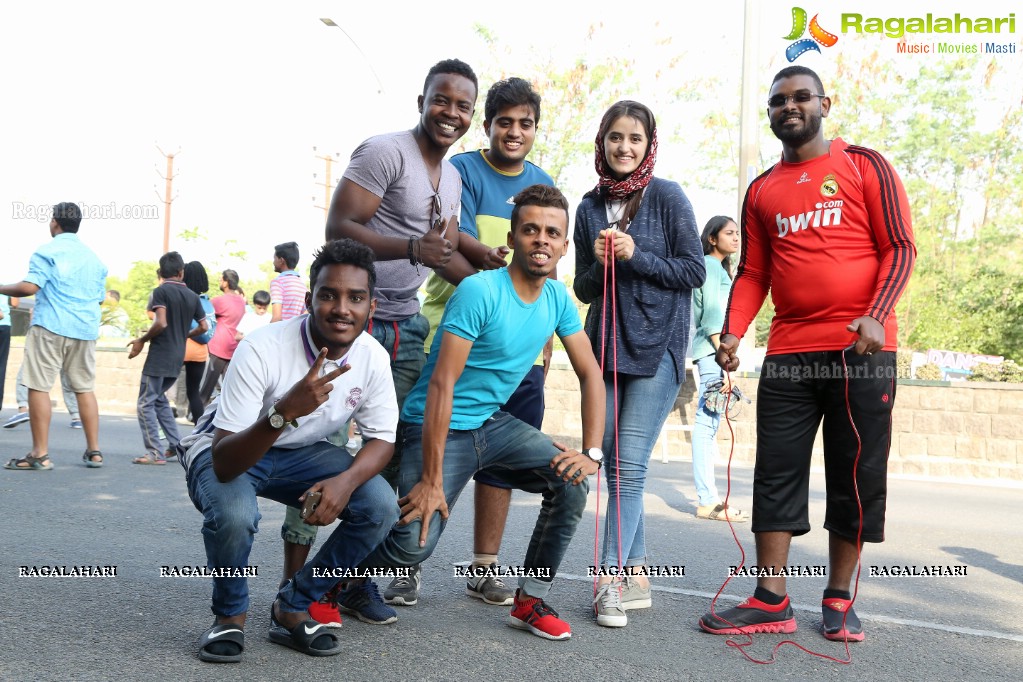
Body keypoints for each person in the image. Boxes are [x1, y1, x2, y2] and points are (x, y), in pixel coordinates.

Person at [698, 65, 916, 642]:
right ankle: (770, 597)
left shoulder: (863, 165)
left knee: (856, 473)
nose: (788, 107)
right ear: (770, 113)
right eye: (777, 101)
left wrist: (876, 310)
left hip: (861, 350)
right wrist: (733, 333)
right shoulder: (762, 189)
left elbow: (900, 246)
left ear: (825, 103)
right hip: (792, 353)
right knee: (776, 471)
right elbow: (753, 272)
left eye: (800, 98)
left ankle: (840, 597)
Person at [360, 184, 605, 641]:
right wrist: (432, 483)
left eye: (552, 232)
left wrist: (592, 451)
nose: (541, 240)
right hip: (436, 423)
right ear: (512, 239)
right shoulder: (480, 290)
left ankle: (529, 600)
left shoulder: (556, 300)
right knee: (414, 544)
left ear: (565, 245)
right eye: (530, 230)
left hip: (491, 424)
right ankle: (332, 581)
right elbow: (440, 386)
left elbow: (591, 373)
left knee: (573, 481)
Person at [178, 238, 399, 662]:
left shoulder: (372, 357)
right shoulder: (262, 347)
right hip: (228, 447)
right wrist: (283, 413)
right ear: (309, 300)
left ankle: (292, 605)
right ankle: (229, 617)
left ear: (371, 307)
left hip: (301, 452)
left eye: (356, 298)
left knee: (380, 505)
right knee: (236, 514)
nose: (341, 309)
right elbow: (225, 462)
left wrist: (344, 482)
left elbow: (383, 439)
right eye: (329, 295)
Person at [318, 57, 477, 621]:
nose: (450, 112)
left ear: (471, 116)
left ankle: (351, 583)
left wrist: (503, 289)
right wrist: (412, 250)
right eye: (442, 99)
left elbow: (448, 253)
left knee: (386, 455)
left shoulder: (453, 177)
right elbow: (339, 227)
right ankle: (299, 587)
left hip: (407, 326)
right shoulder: (385, 151)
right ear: (422, 100)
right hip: (349, 324)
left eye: (462, 106)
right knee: (315, 445)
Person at [409, 77, 555, 608]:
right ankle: (407, 563)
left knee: (501, 459)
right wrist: (500, 267)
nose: (514, 132)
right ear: (487, 125)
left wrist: (541, 335)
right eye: (504, 122)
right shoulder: (461, 170)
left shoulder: (542, 181)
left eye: (525, 124)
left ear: (535, 129)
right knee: (431, 448)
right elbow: (454, 239)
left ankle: (485, 565)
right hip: (454, 330)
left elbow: (545, 264)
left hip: (517, 351)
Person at [573, 101, 706, 628]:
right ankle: (637, 572)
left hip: (657, 349)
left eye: (634, 138)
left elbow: (694, 269)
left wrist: (635, 256)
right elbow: (583, 287)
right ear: (601, 142)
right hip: (604, 347)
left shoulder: (667, 195)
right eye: (614, 137)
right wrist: (601, 264)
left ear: (649, 144)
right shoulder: (587, 207)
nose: (624, 147)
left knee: (629, 466)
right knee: (609, 460)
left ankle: (608, 583)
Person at [1, 202, 107, 470]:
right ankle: (94, 451)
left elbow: (29, 287)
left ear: (55, 222)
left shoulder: (47, 251)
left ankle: (40, 453)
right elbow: (100, 299)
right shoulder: (94, 258)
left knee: (38, 386)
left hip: (51, 326)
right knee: (84, 388)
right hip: (84, 330)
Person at [690, 216, 748, 522]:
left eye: (738, 233)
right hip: (714, 354)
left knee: (709, 424)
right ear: (712, 238)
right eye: (729, 233)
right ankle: (708, 500)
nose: (736, 238)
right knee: (707, 423)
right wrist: (726, 362)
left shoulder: (717, 267)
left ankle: (708, 497)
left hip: (714, 353)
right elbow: (712, 318)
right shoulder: (711, 267)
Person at [128, 252, 207, 465]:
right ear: (181, 272)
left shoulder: (160, 291)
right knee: (160, 400)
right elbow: (204, 327)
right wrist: (183, 336)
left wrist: (142, 339)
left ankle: (154, 452)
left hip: (160, 357)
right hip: (177, 356)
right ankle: (176, 445)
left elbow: (161, 322)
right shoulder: (192, 296)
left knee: (145, 403)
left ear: (161, 273)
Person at [175, 261, 215, 424]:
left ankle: (165, 433)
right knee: (194, 393)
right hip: (200, 352)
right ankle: (200, 431)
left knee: (159, 391)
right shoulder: (208, 302)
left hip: (181, 348)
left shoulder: (184, 298)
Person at [198, 269, 246, 404]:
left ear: (226, 283)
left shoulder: (220, 301)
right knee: (229, 388)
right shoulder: (241, 301)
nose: (220, 281)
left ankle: (195, 413)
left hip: (218, 347)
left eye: (221, 279)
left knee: (207, 386)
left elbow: (204, 313)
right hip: (233, 347)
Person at [270, 242, 308, 323]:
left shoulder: (278, 282)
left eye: (274, 258)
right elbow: (306, 313)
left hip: (282, 332)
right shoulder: (302, 286)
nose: (273, 262)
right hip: (296, 332)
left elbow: (277, 318)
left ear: (281, 260)